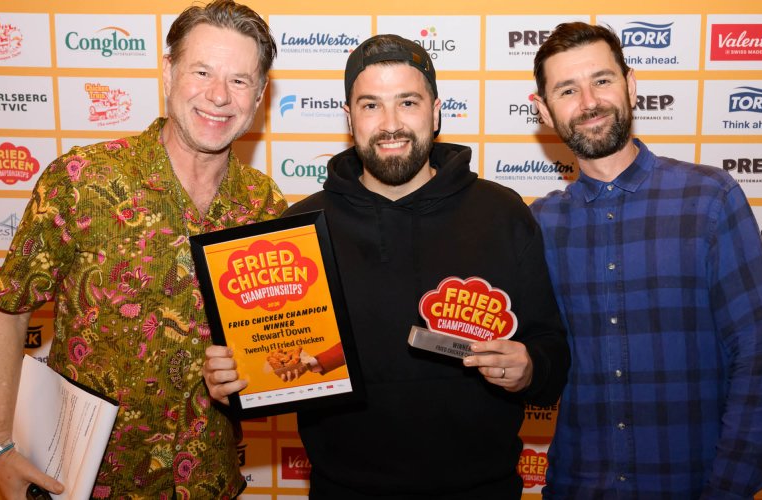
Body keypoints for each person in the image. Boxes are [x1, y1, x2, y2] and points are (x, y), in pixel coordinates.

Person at [203, 34, 570, 499]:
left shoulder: (502, 213)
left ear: (435, 111)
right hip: (343, 491)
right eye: (371, 105)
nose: (390, 124)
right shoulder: (298, 230)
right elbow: (279, 366)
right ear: (349, 118)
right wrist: (233, 382)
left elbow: (551, 352)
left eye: (408, 102)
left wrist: (530, 366)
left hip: (481, 489)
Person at [0, 2, 287, 498]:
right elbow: (7, 310)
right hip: (85, 484)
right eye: (202, 71)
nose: (217, 96)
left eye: (239, 80)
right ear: (168, 71)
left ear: (259, 96)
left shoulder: (265, 204)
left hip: (209, 483)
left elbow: (275, 347)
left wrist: (249, 374)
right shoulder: (83, 181)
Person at [529, 22, 762, 499]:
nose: (588, 102)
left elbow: (759, 355)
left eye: (602, 80)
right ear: (543, 109)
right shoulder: (539, 225)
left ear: (630, 85)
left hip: (693, 483)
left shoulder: (709, 199)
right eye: (567, 89)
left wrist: (727, 489)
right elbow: (536, 359)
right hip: (578, 486)